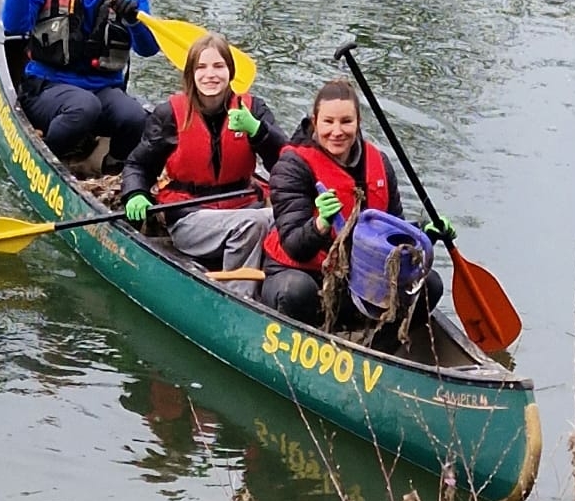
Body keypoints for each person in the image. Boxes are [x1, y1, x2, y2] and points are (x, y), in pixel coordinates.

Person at [260, 78, 444, 332]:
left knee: (430, 284)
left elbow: (393, 234)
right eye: (328, 122)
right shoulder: (291, 166)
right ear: (315, 122)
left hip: (360, 280)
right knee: (295, 290)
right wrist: (320, 224)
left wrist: (422, 235)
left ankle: (382, 345)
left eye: (346, 121)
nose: (337, 131)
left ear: (358, 123)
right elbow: (294, 246)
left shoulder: (379, 162)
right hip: (306, 275)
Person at [119, 34, 286, 295]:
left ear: (230, 71)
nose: (210, 75)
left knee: (284, 218)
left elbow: (286, 163)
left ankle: (277, 289)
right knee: (255, 223)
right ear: (191, 74)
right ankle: (237, 297)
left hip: (245, 205)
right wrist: (135, 193)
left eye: (218, 66)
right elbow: (138, 165)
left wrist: (258, 131)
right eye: (201, 67)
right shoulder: (169, 114)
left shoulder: (253, 109)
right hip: (190, 216)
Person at [0, 0, 159, 165]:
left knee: (135, 118)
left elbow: (148, 49)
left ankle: (113, 168)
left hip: (104, 88)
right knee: (83, 107)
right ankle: (48, 159)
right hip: (45, 88)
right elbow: (15, 26)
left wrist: (133, 19)